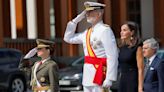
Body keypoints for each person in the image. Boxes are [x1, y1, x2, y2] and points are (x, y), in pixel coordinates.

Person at [64, 1, 118, 92]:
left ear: (99, 13)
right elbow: (68, 38)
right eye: (86, 12)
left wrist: (110, 78)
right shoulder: (87, 32)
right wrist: (76, 20)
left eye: (90, 12)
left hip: (100, 74)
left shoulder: (105, 30)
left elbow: (112, 55)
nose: (87, 14)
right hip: (87, 77)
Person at [118, 22, 144, 92]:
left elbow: (141, 69)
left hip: (132, 79)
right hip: (122, 79)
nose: (121, 32)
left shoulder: (137, 47)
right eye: (121, 30)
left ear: (132, 32)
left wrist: (140, 87)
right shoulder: (121, 47)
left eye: (124, 30)